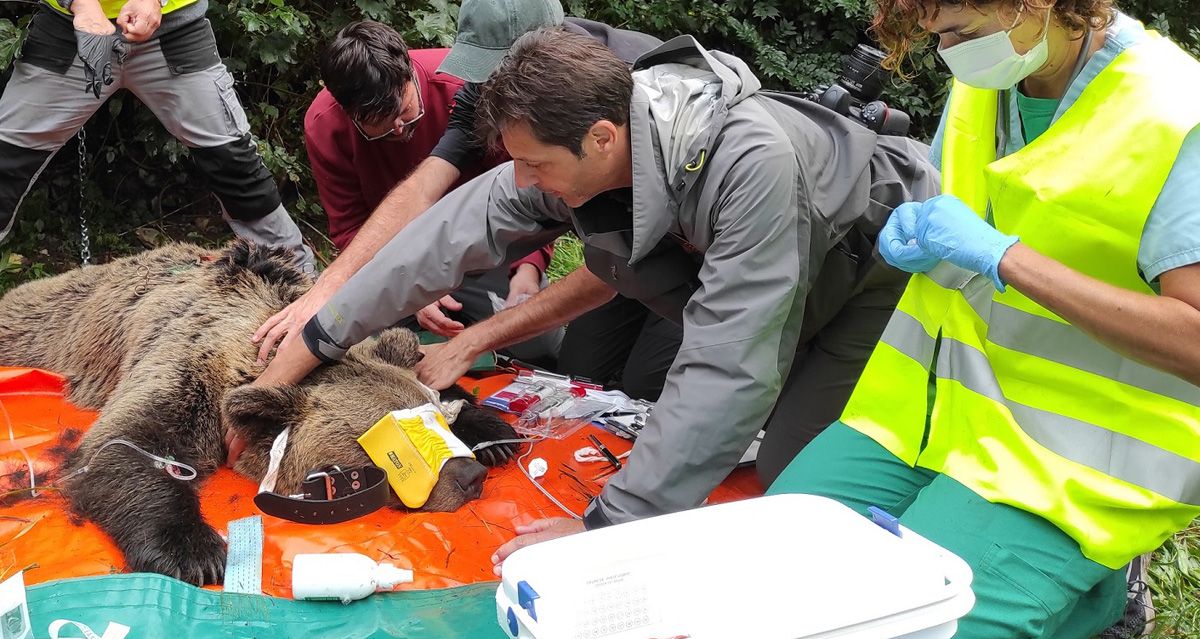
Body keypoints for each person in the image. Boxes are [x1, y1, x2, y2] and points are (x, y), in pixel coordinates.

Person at [240, 29, 939, 552]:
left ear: (602, 139)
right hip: (784, 279)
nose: (522, 181)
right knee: (686, 378)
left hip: (869, 275)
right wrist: (311, 343)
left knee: (794, 471)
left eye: (534, 165)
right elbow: (443, 235)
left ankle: (941, 498)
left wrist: (605, 526)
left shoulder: (750, 165)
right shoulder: (580, 145)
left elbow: (729, 365)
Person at [766, 0, 1200, 639]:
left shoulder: (1177, 111)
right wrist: (929, 242)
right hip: (928, 411)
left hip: (1073, 457)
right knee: (767, 573)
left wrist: (1004, 257)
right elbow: (972, 222)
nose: (950, 55)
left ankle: (1093, 590)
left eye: (961, 34)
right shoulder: (987, 81)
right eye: (937, 38)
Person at [251, 0, 671, 390]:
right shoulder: (493, 87)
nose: (520, 177)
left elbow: (608, 269)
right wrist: (332, 289)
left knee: (647, 386)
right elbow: (430, 187)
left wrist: (482, 329)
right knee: (583, 374)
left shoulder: (633, 99)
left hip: (688, 257)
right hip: (602, 254)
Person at [304, 21, 561, 364]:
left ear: (408, 71)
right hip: (391, 262)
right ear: (347, 112)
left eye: (405, 113)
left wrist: (528, 269)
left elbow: (533, 185)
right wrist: (414, 289)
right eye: (380, 125)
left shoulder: (469, 86)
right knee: (358, 356)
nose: (398, 128)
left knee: (541, 345)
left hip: (484, 252)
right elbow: (350, 228)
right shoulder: (324, 125)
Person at [0, 0, 314, 271]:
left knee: (230, 157)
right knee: (5, 159)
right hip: (67, 31)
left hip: (174, 31)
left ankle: (299, 280)